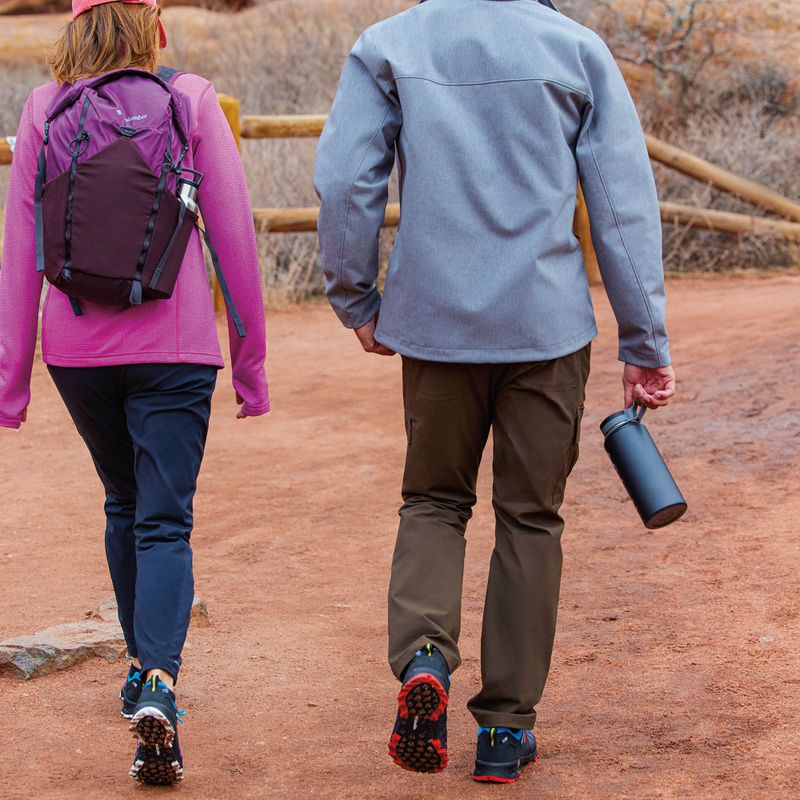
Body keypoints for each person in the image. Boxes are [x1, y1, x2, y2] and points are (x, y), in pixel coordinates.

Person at [315, 0, 676, 784]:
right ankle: (507, 730)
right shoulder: (576, 49)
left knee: (435, 501)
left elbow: (347, 180)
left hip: (435, 324)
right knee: (530, 516)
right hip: (546, 327)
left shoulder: (390, 43)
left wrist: (356, 297)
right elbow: (620, 205)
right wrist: (644, 340)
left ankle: (423, 661)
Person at [0, 0, 269, 785]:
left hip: (78, 351)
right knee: (164, 519)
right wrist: (249, 366)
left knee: (123, 502)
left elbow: (21, 253)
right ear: (150, 25)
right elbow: (235, 238)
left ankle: (137, 668)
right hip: (177, 347)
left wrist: (11, 381)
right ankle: (159, 678)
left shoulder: (45, 107)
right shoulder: (190, 101)